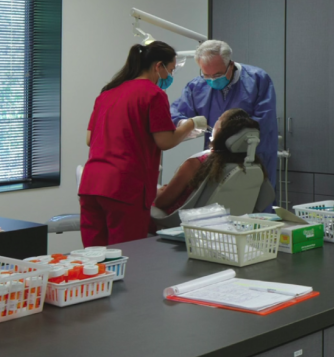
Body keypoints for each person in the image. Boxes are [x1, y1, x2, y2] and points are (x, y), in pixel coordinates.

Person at [79, 41, 207, 246]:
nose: (169, 76)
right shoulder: (153, 94)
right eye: (170, 70)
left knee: (95, 260)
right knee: (126, 255)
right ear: (158, 66)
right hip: (123, 187)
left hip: (91, 185)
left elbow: (89, 139)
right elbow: (165, 141)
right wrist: (190, 124)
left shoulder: (107, 93)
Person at [170, 40, 278, 188]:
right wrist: (187, 124)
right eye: (207, 75)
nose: (213, 80)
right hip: (217, 158)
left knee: (255, 200)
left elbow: (264, 120)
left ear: (231, 65)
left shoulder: (257, 80)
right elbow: (176, 114)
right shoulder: (196, 86)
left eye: (218, 74)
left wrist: (230, 134)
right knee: (218, 203)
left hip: (253, 155)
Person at [154, 109, 266, 215]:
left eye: (219, 118)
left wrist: (155, 191)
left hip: (179, 223)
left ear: (221, 131)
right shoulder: (251, 165)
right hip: (225, 227)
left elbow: (161, 202)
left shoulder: (196, 163)